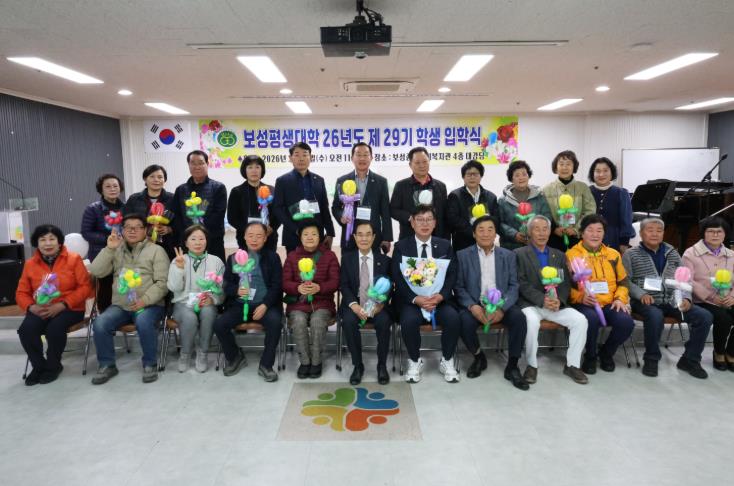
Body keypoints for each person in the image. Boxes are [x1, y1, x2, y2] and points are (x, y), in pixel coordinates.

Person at [623, 217, 712, 378]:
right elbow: (625, 280)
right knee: (655, 315)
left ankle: (690, 359)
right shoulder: (631, 254)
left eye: (659, 231)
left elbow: (684, 278)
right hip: (645, 301)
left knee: (704, 316)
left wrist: (686, 298)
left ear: (663, 233)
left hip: (673, 300)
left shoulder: (672, 253)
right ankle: (651, 359)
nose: (655, 234)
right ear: (641, 233)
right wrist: (641, 294)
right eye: (650, 230)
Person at [88, 213, 170, 385]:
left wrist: (144, 300)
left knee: (143, 321)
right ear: (122, 230)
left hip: (150, 305)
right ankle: (107, 365)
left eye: (137, 227)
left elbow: (162, 283)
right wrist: (109, 249)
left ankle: (150, 364)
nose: (132, 231)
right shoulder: (116, 250)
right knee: (100, 323)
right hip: (121, 305)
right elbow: (96, 271)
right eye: (128, 227)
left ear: (145, 230)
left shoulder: (156, 250)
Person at [454, 215, 529, 390]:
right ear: (474, 234)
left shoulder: (508, 255)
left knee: (519, 318)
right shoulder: (462, 255)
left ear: (496, 234)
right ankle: (479, 357)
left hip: (502, 304)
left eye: (490, 229)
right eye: (481, 230)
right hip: (476, 302)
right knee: (463, 320)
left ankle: (512, 366)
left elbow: (514, 286)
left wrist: (502, 309)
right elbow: (459, 287)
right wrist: (473, 306)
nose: (486, 234)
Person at [515, 215, 589, 384]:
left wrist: (559, 300)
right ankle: (532, 365)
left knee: (580, 320)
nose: (542, 233)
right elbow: (521, 284)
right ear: (529, 232)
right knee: (531, 322)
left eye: (545, 229)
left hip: (555, 304)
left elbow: (565, 283)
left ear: (550, 232)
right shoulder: (518, 254)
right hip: (531, 304)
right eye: (537, 229)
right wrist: (542, 299)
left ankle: (572, 365)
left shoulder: (559, 255)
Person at [391, 205, 461, 383]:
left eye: (429, 219)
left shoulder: (445, 246)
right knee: (408, 321)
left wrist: (440, 296)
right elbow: (397, 277)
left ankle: (447, 360)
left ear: (435, 223)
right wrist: (416, 299)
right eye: (420, 220)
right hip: (412, 301)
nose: (424, 223)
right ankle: (415, 360)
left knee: (453, 318)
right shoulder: (401, 246)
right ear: (412, 223)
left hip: (439, 300)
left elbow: (452, 274)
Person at [16, 224, 93, 385]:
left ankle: (53, 366)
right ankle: (38, 366)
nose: (48, 243)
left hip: (70, 308)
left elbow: (85, 287)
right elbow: (21, 292)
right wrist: (31, 307)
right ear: (36, 243)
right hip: (40, 308)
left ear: (59, 242)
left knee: (54, 328)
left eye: (52, 239)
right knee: (26, 330)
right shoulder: (30, 264)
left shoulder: (73, 259)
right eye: (42, 239)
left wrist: (63, 304)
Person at [214, 222, 283, 382]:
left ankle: (266, 365)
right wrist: (236, 290)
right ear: (244, 237)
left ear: (265, 238)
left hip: (265, 305)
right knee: (219, 324)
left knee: (275, 323)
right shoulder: (234, 258)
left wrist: (265, 305)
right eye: (250, 235)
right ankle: (235, 357)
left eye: (259, 236)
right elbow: (226, 284)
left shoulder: (272, 257)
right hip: (239, 305)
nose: (254, 239)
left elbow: (277, 285)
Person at [567, 214, 635, 374]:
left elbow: (623, 282)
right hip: (584, 303)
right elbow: (566, 286)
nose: (595, 234)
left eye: (599, 230)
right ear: (582, 233)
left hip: (610, 302)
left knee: (626, 323)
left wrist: (620, 299)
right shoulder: (571, 255)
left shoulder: (613, 254)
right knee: (591, 318)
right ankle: (590, 356)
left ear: (604, 233)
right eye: (590, 230)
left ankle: (606, 353)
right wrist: (581, 297)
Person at [282, 222, 340, 379]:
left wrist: (319, 287)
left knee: (317, 321)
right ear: (300, 237)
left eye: (314, 234)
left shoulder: (329, 256)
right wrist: (298, 288)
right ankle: (304, 362)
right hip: (298, 304)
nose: (310, 237)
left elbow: (335, 282)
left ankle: (316, 361)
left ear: (320, 237)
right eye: (306, 234)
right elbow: (285, 282)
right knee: (298, 321)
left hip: (322, 303)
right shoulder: (292, 256)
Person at [339, 220, 393, 385]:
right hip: (354, 304)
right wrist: (354, 305)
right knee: (348, 321)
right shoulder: (347, 259)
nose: (364, 238)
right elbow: (344, 285)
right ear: (355, 237)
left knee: (384, 321)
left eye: (368, 235)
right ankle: (358, 365)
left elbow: (389, 285)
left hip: (377, 304)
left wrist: (380, 304)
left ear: (374, 237)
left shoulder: (384, 260)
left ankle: (381, 365)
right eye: (360, 235)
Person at [167, 225, 225, 373]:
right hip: (183, 303)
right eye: (193, 239)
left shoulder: (216, 261)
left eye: (201, 239)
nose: (198, 242)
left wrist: (214, 300)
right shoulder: (178, 260)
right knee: (189, 318)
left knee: (209, 313)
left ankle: (203, 353)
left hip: (207, 302)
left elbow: (222, 289)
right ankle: (185, 354)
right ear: (186, 243)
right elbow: (174, 288)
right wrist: (179, 268)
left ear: (207, 241)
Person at [682, 216, 734, 372]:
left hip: (727, 298)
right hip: (702, 300)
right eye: (711, 231)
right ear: (704, 233)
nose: (715, 235)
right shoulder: (691, 253)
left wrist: (732, 297)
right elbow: (687, 280)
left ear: (725, 234)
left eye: (719, 231)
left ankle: (731, 353)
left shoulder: (731, 254)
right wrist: (711, 297)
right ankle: (719, 353)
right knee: (724, 318)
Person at [272, 142, 335, 252]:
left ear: (311, 157)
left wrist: (330, 232)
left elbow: (324, 208)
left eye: (305, 155)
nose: (301, 159)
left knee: (318, 263)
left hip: (316, 235)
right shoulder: (282, 181)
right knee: (294, 263)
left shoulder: (319, 180)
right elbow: (278, 209)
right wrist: (296, 230)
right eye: (297, 155)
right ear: (290, 158)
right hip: (293, 235)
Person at [331, 142, 392, 253]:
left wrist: (387, 238)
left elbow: (385, 212)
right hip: (350, 235)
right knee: (349, 264)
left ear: (371, 157)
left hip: (373, 236)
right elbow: (335, 207)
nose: (362, 158)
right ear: (352, 158)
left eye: (365, 155)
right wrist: (341, 217)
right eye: (358, 155)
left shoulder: (381, 182)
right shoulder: (342, 180)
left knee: (373, 264)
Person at [170, 150, 228, 261]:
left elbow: (218, 214)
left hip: (212, 240)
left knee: (215, 269)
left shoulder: (218, 187)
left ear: (207, 164)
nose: (197, 167)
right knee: (188, 269)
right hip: (187, 241)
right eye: (193, 163)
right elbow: (177, 215)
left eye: (201, 163)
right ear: (188, 165)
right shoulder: (180, 189)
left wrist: (200, 233)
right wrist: (188, 234)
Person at [81, 173, 125, 311]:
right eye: (108, 186)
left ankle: (122, 313)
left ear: (120, 188)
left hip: (123, 252)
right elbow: (86, 232)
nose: (112, 189)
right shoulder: (93, 209)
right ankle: (105, 316)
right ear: (101, 189)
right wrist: (107, 239)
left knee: (123, 283)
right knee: (106, 286)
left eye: (115, 186)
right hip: (101, 253)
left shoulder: (126, 207)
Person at [390, 147, 449, 240]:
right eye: (417, 163)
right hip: (409, 236)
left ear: (429, 162)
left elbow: (445, 215)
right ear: (410, 165)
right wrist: (410, 217)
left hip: (436, 237)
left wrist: (446, 239)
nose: (422, 165)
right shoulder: (401, 186)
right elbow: (393, 210)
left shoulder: (440, 186)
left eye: (425, 162)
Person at [542, 150, 596, 250]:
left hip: (578, 237)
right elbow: (543, 213)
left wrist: (576, 229)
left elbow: (590, 211)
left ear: (574, 167)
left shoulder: (583, 188)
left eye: (568, 164)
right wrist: (554, 229)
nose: (564, 167)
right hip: (553, 238)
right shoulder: (546, 189)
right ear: (556, 167)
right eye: (561, 164)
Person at [227, 155, 280, 252]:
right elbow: (232, 218)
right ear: (245, 170)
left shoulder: (271, 190)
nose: (254, 170)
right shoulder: (237, 191)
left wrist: (272, 228)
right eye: (250, 167)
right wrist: (249, 230)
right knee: (248, 261)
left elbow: (278, 213)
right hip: (246, 238)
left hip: (268, 237)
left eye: (257, 167)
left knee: (269, 260)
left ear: (262, 170)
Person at [498, 160, 553, 250]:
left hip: (535, 244)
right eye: (517, 175)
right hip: (511, 247)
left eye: (524, 174)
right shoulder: (503, 200)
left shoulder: (539, 196)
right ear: (511, 179)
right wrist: (514, 234)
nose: (521, 178)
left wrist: (535, 233)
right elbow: (499, 223)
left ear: (528, 176)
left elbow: (547, 217)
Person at [123, 164, 175, 259]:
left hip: (166, 246)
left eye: (160, 177)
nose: (156, 180)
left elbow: (180, 220)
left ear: (164, 180)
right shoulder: (134, 199)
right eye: (152, 176)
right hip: (139, 245)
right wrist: (142, 231)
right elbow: (126, 221)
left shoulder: (173, 199)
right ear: (145, 179)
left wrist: (169, 229)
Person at [446, 159, 499, 252]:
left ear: (481, 176)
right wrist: (474, 232)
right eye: (469, 174)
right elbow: (453, 219)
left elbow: (496, 219)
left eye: (475, 174)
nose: (472, 177)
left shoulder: (491, 197)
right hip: (462, 244)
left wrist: (484, 232)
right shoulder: (455, 196)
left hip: (486, 243)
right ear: (463, 177)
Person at [588, 157, 635, 252]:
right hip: (588, 240)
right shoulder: (586, 192)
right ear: (592, 173)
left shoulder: (621, 193)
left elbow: (626, 220)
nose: (601, 174)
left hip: (613, 241)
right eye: (597, 171)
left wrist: (624, 243)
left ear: (612, 172)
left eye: (605, 171)